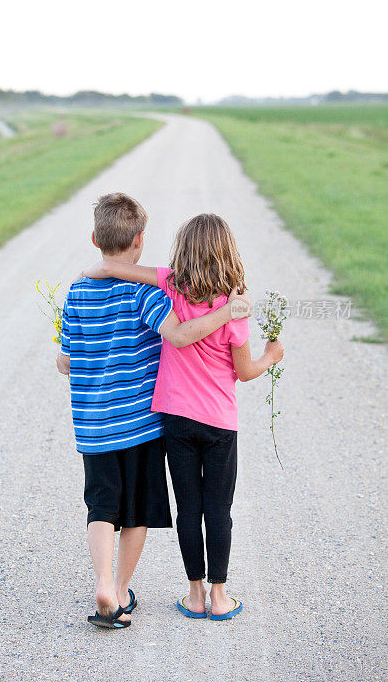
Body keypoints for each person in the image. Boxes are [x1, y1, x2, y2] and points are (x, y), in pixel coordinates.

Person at [56, 195, 250, 629]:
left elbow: (65, 361)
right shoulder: (146, 295)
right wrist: (227, 313)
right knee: (139, 512)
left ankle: (104, 583)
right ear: (140, 240)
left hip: (93, 428)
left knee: (102, 506)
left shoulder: (76, 294)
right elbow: (180, 335)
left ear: (94, 239)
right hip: (141, 424)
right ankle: (121, 587)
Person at [83, 212, 284, 621]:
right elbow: (244, 373)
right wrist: (272, 355)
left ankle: (194, 594)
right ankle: (220, 596)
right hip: (219, 423)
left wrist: (94, 269)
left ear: (183, 251)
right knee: (218, 510)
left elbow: (111, 266)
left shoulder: (170, 284)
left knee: (188, 508)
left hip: (176, 419)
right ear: (229, 254)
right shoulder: (235, 306)